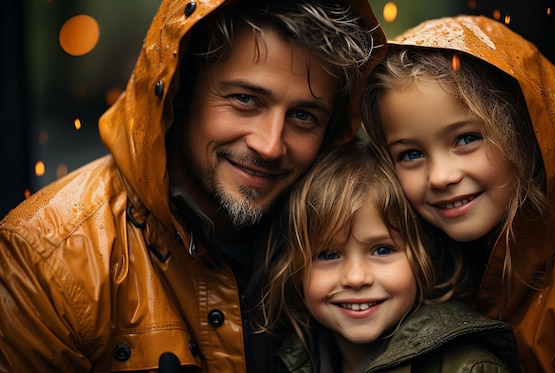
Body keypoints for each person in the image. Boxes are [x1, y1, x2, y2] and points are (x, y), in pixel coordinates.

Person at [0, 0, 385, 371]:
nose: (269, 145)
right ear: (179, 90)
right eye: (245, 99)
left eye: (303, 115)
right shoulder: (47, 258)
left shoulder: (349, 231)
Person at [360, 15, 555, 373]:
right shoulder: (424, 260)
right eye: (411, 154)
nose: (440, 177)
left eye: (466, 139)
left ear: (525, 133)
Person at [259, 140, 520, 373]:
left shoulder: (466, 367)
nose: (356, 277)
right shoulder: (287, 359)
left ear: (423, 257)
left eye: (382, 250)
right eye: (328, 255)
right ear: (294, 269)